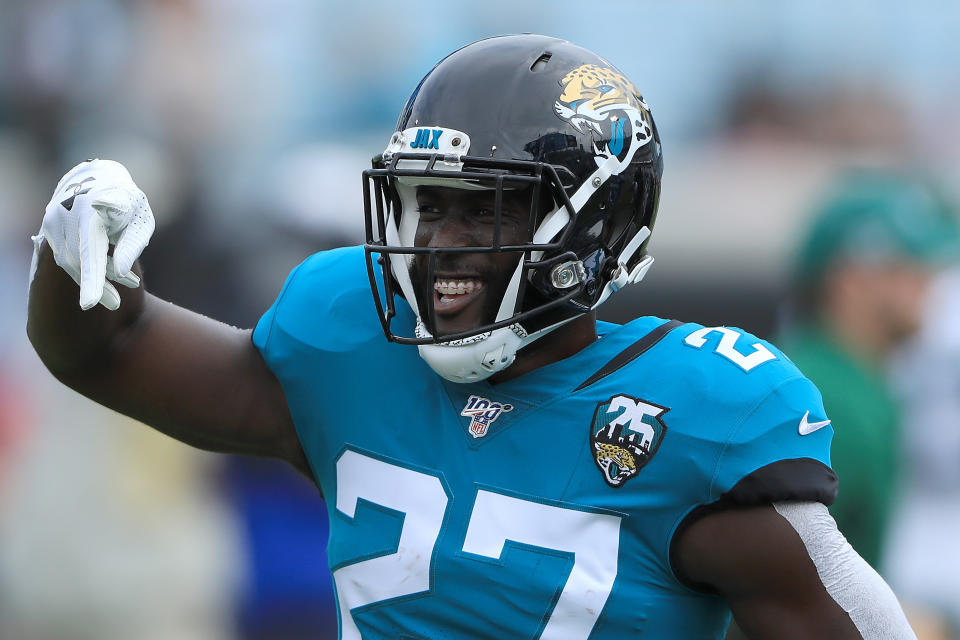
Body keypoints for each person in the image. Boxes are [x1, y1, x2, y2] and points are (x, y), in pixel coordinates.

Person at [27, 35, 914, 639]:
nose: (439, 243)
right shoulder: (353, 355)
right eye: (427, 205)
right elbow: (107, 350)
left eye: (482, 211)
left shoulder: (685, 416)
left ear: (598, 228)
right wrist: (74, 264)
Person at [780, 171, 959, 571]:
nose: (929, 280)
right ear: (851, 280)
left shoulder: (858, 386)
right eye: (906, 266)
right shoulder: (826, 399)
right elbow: (786, 580)